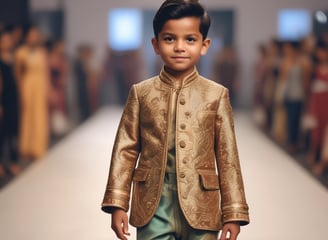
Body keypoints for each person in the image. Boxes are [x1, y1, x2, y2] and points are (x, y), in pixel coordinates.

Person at [101, 1, 250, 240]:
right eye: (169, 39)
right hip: (152, 204)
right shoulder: (141, 93)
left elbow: (227, 156)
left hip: (202, 204)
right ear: (155, 44)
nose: (179, 47)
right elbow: (125, 149)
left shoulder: (215, 95)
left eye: (190, 39)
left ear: (204, 45)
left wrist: (233, 212)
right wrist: (118, 202)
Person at [15, 26, 50, 160]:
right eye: (32, 34)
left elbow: (46, 72)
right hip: (27, 85)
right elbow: (18, 74)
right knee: (27, 115)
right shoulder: (20, 53)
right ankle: (26, 147)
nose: (34, 37)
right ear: (26, 36)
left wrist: (48, 89)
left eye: (36, 34)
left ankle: (38, 146)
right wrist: (20, 92)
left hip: (40, 85)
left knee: (40, 115)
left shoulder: (42, 52)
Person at [0, 29, 21, 176]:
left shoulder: (14, 58)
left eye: (9, 40)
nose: (8, 42)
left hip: (13, 98)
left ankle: (13, 162)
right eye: (5, 40)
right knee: (2, 132)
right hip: (3, 98)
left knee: (13, 131)